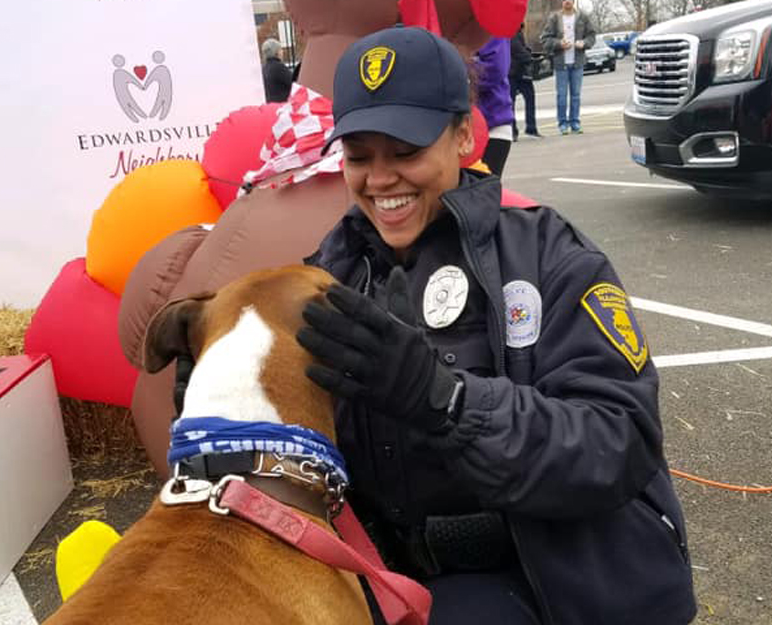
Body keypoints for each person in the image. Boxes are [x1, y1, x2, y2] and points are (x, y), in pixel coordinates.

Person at [295, 25, 697, 625]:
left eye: (405, 152)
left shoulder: (552, 257)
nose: (380, 181)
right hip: (383, 576)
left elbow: (618, 443)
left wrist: (447, 400)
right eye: (359, 157)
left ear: (462, 135)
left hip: (546, 577)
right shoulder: (331, 272)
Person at [539, 0, 596, 134]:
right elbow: (545, 39)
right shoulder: (554, 18)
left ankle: (575, 123)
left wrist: (585, 43)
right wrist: (559, 43)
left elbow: (592, 35)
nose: (567, 2)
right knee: (562, 96)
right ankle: (562, 124)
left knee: (576, 95)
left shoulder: (582, 17)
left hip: (578, 62)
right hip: (561, 64)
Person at [472, 37, 514, 177]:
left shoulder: (493, 27)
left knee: (481, 193)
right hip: (457, 130)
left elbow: (494, 69)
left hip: (492, 126)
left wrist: (453, 72)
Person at [508, 24, 541, 140]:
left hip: (521, 71)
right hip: (512, 72)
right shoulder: (510, 30)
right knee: (510, 103)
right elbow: (516, 49)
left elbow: (521, 48)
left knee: (529, 98)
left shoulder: (518, 31)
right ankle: (513, 130)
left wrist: (528, 53)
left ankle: (530, 128)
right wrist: (529, 57)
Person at [261, 38, 293, 103]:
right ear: (276, 52)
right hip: (282, 105)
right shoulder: (279, 67)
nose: (282, 52)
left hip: (270, 106)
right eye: (280, 49)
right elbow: (295, 83)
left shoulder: (264, 68)